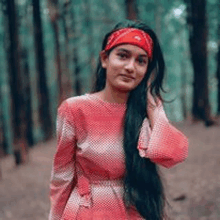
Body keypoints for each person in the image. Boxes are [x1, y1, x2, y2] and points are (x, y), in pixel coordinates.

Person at [49, 20, 188, 220]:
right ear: (105, 59)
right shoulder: (74, 109)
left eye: (141, 61)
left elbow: (173, 154)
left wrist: (153, 109)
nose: (130, 67)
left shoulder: (146, 110)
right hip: (87, 211)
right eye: (123, 56)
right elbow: (62, 176)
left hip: (136, 209)